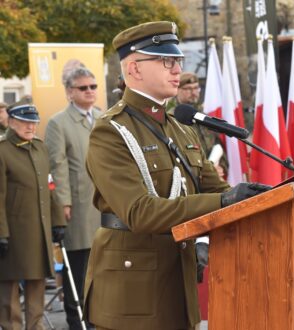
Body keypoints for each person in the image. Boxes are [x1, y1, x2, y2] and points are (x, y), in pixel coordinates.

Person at [83, 21, 270, 330]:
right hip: (133, 291)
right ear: (134, 69)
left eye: (177, 61)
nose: (176, 69)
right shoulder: (110, 131)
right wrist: (224, 199)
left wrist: (255, 199)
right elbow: (140, 213)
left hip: (179, 278)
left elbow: (214, 190)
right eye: (165, 61)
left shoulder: (181, 127)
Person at [0, 102, 65, 330]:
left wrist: (58, 221)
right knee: (9, 287)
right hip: (13, 230)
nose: (31, 127)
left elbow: (49, 185)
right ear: (12, 121)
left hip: (39, 228)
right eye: (26, 122)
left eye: (34, 122)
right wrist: (1, 233)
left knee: (37, 283)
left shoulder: (39, 147)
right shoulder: (3, 150)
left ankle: (36, 327)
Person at [45, 67, 101, 330]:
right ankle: (77, 322)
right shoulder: (58, 123)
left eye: (93, 86)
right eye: (83, 88)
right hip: (78, 205)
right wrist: (63, 203)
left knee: (103, 265)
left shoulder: (101, 118)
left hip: (105, 205)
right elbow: (57, 165)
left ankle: (100, 319)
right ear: (69, 93)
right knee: (78, 269)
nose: (90, 91)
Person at [167, 71, 228, 180]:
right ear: (177, 90)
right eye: (188, 89)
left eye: (196, 88)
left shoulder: (205, 117)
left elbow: (218, 145)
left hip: (211, 179)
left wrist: (221, 167)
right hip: (190, 181)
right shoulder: (171, 119)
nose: (194, 92)